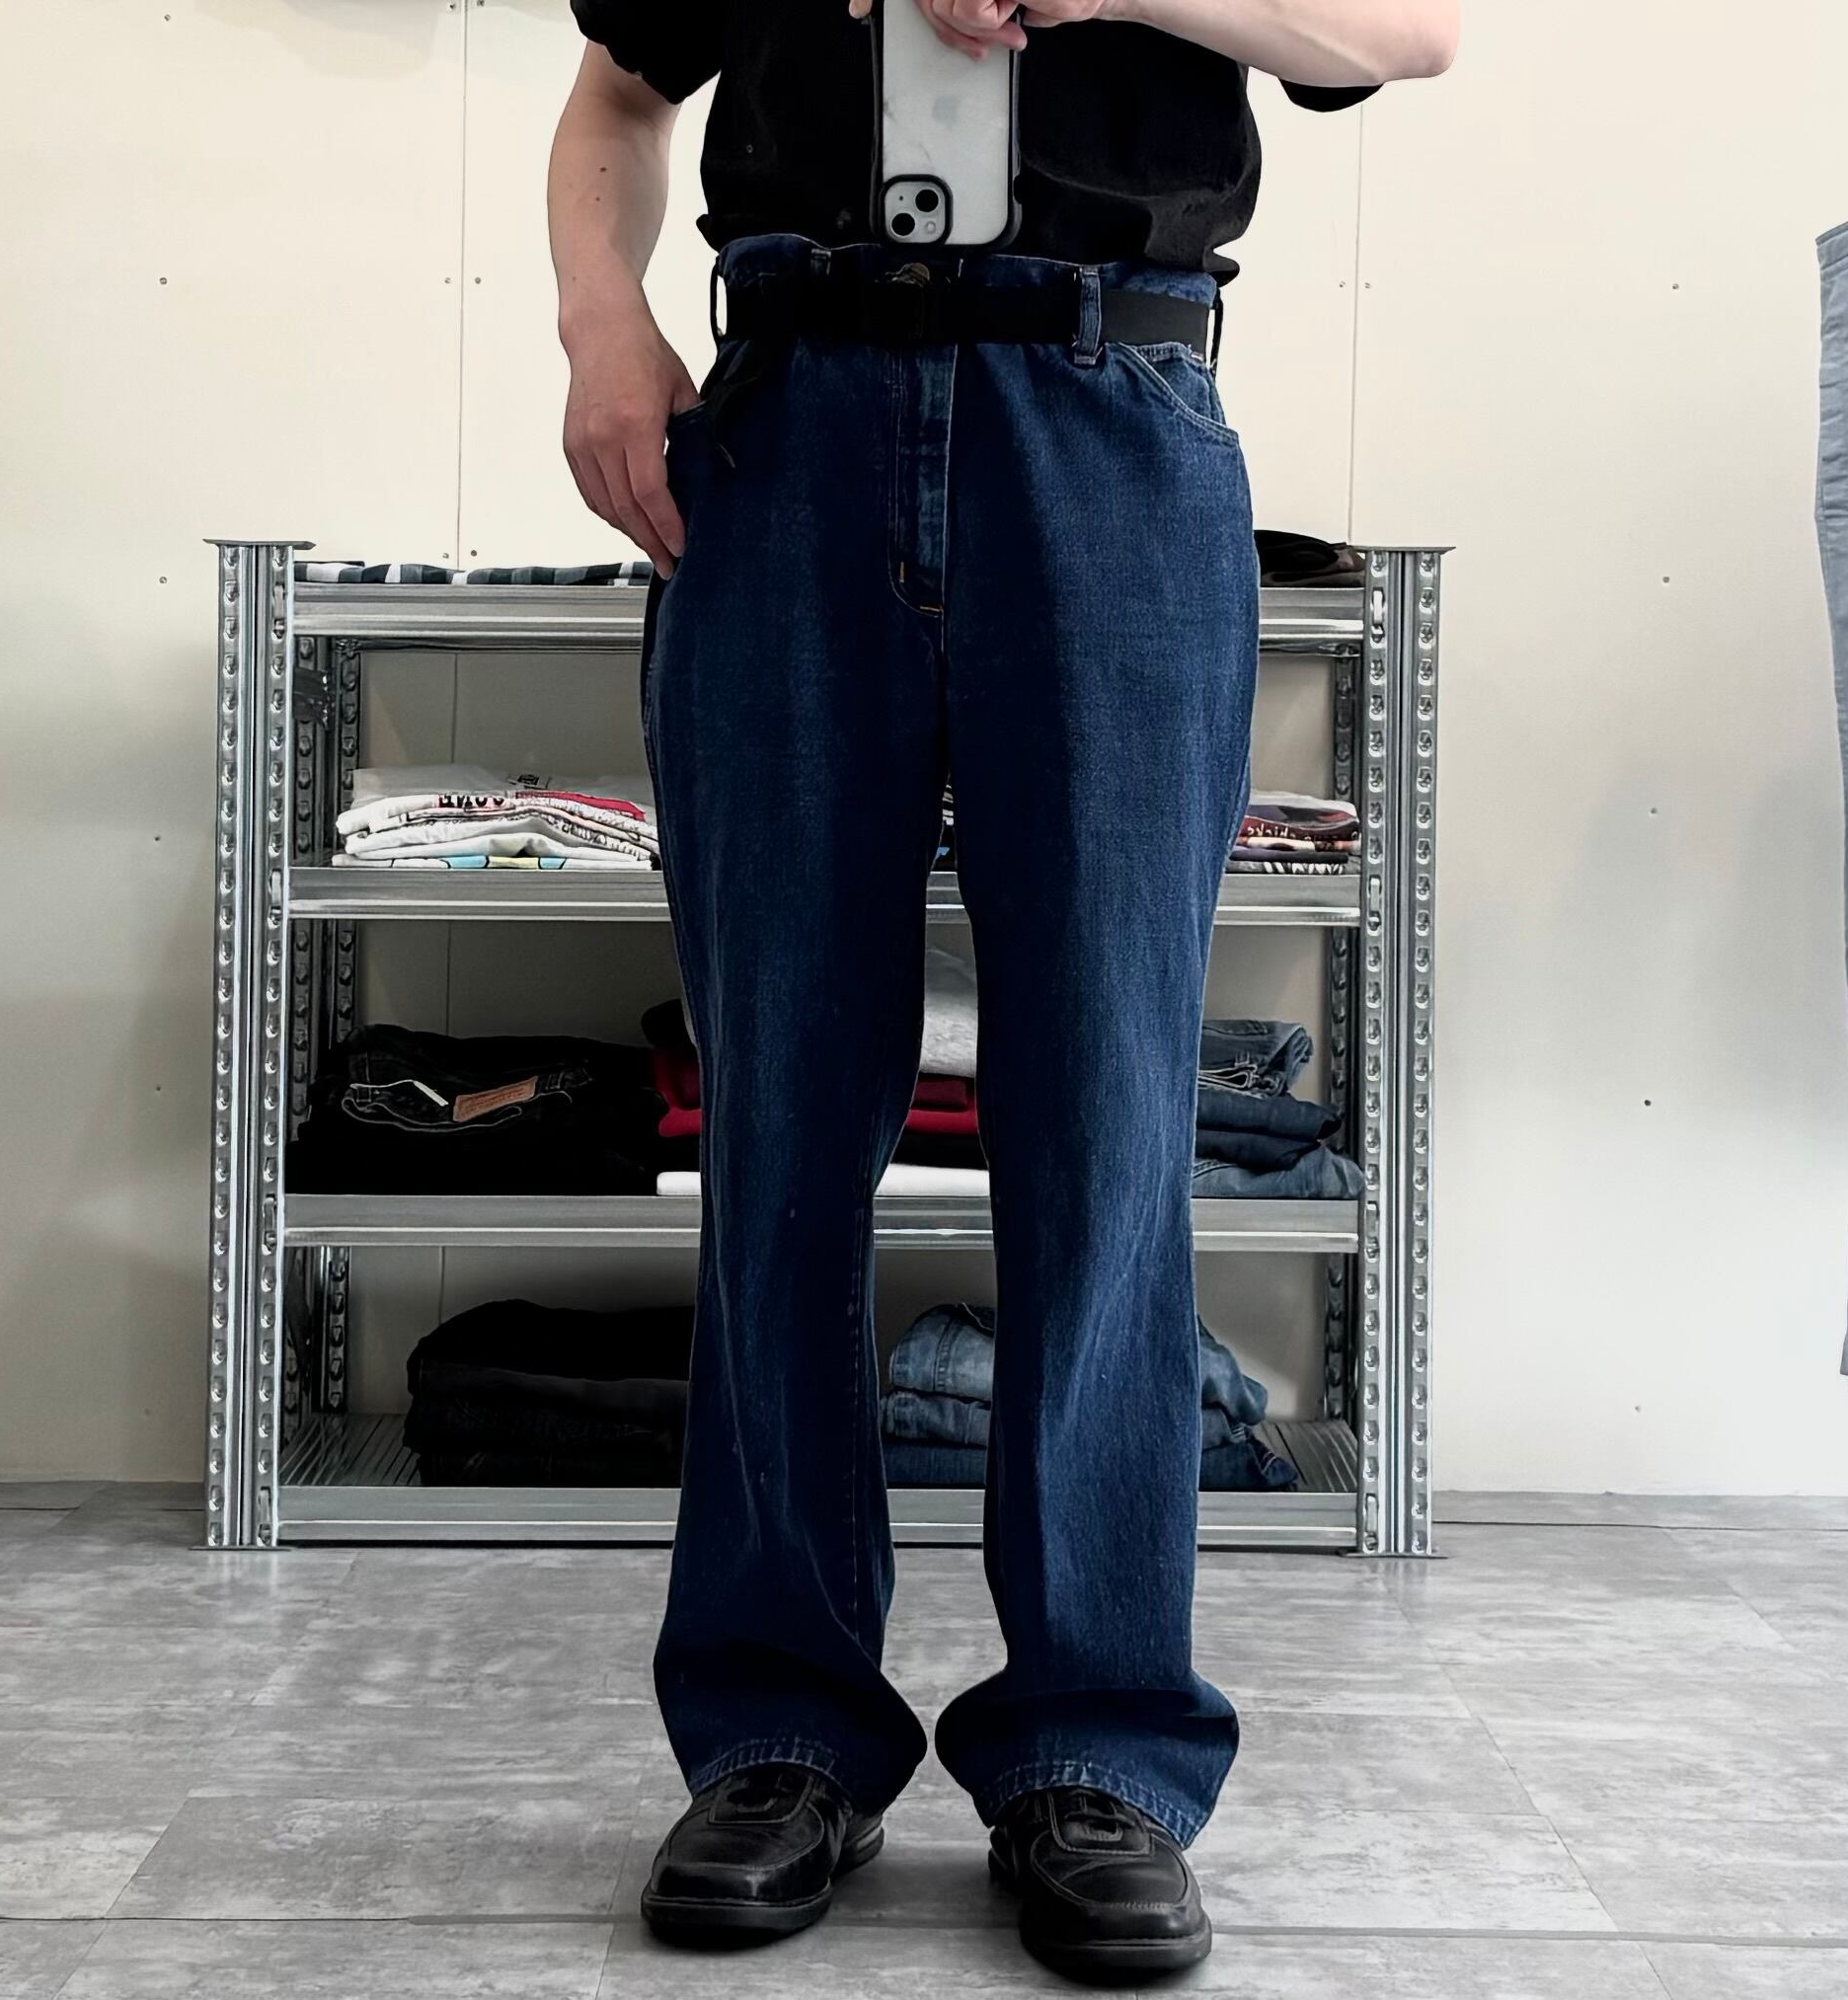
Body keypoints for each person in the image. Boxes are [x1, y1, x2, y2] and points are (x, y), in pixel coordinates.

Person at [548, 0, 1456, 1980]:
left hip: (1106, 408)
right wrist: (602, 327)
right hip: (783, 426)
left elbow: (1402, 28)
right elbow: (617, 93)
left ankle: (1097, 1745)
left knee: (1106, 1117)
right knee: (778, 1116)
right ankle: (780, 1727)